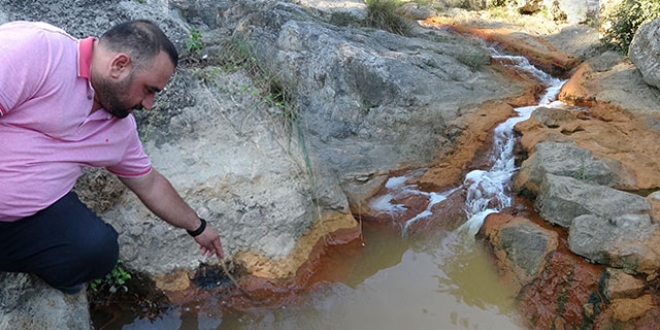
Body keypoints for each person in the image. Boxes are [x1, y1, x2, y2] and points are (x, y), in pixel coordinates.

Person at [0, 19, 224, 294]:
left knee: (97, 250)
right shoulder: (40, 50)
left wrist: (198, 227)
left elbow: (150, 183)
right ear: (119, 65)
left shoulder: (119, 128)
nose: (149, 105)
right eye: (149, 90)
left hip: (28, 220)